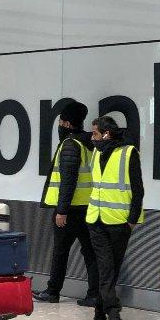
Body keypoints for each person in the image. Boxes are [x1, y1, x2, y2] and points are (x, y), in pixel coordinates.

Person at [33, 100, 99, 307]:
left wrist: (61, 210)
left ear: (68, 123)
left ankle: (53, 291)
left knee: (60, 251)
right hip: (87, 207)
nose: (59, 125)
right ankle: (94, 294)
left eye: (61, 121)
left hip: (69, 210)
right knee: (90, 252)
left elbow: (68, 180)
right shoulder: (89, 143)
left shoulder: (70, 144)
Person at [85, 115, 144, 320]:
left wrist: (131, 220)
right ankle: (114, 314)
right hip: (95, 220)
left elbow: (138, 190)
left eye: (95, 133)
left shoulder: (128, 153)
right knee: (106, 268)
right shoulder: (95, 153)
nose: (92, 137)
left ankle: (99, 313)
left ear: (106, 134)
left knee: (111, 269)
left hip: (120, 222)